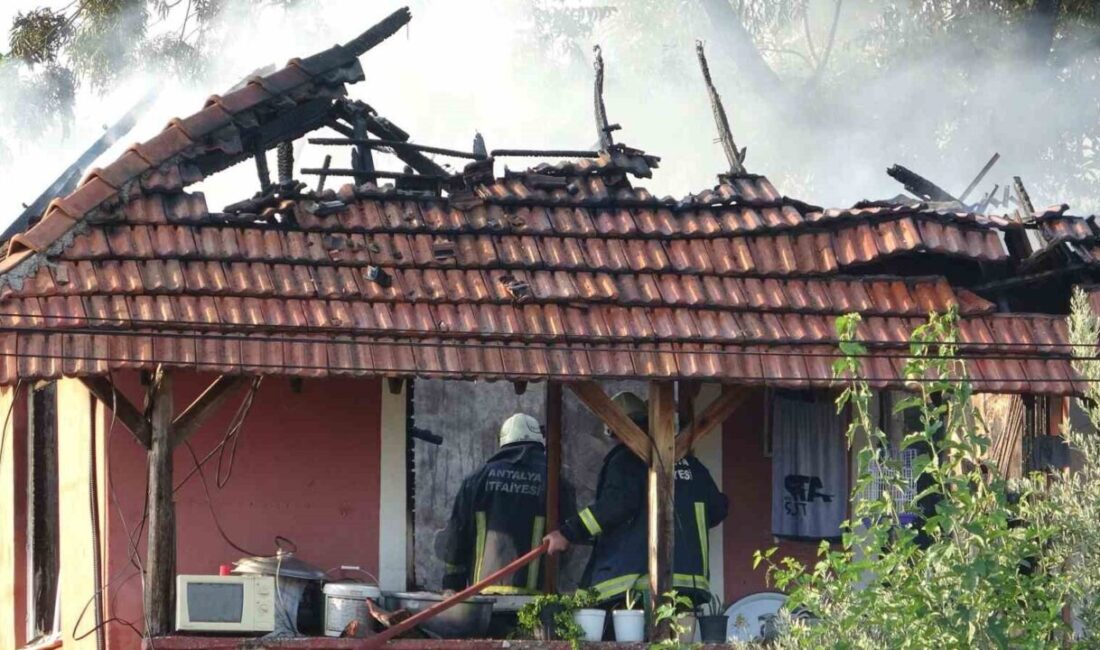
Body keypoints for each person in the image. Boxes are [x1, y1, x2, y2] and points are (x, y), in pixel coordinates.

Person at [543, 392, 728, 605]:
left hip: (636, 582)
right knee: (677, 637)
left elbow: (615, 505)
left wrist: (568, 533)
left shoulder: (626, 461)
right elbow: (717, 509)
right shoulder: (692, 465)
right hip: (691, 583)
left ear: (616, 428)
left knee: (619, 633)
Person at [441, 413, 575, 594]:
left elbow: (457, 535)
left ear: (503, 442)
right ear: (539, 442)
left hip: (484, 596)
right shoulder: (556, 481)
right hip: (536, 598)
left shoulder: (476, 480)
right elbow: (570, 537)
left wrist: (452, 585)